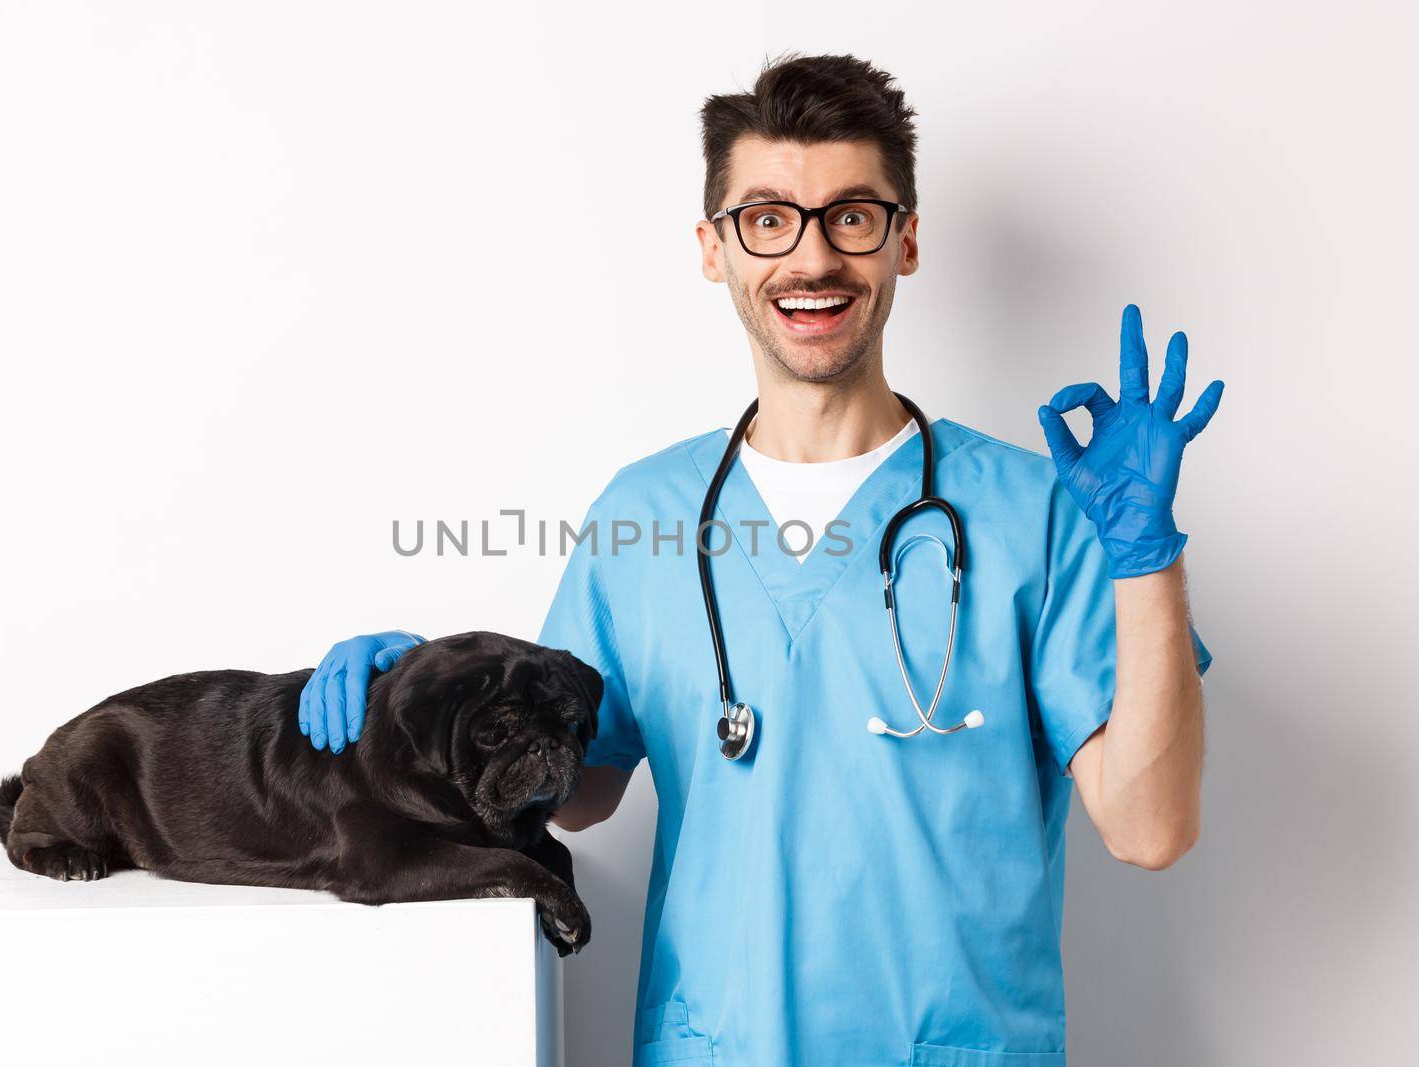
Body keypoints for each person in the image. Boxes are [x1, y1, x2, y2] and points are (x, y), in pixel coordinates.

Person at [297, 52, 1222, 1065]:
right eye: (768, 218)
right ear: (713, 247)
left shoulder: (1033, 510)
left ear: (904, 240)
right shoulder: (642, 515)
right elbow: (574, 790)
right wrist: (429, 687)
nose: (812, 258)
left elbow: (1149, 826)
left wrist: (1143, 557)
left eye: (852, 215)